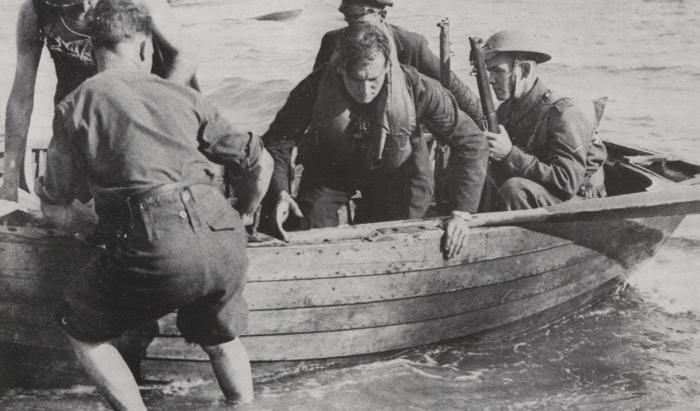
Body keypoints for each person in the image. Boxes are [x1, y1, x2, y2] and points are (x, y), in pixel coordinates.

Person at [35, 0, 272, 408]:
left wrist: (91, 229)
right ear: (145, 50)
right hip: (222, 232)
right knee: (221, 336)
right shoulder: (180, 94)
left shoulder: (75, 105)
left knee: (81, 328)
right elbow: (260, 161)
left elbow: (56, 204)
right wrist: (246, 213)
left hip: (157, 240)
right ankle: (244, 405)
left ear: (93, 51)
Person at [264, 22, 488, 258]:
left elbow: (471, 142)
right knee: (307, 226)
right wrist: (280, 192)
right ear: (340, 69)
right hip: (333, 165)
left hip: (400, 167)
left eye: (373, 80)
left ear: (387, 67)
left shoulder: (418, 88)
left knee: (403, 238)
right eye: (356, 80)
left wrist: (462, 213)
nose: (365, 90)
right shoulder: (314, 87)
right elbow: (279, 140)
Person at [1, 0, 197, 201]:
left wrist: (155, 107)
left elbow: (186, 55)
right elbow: (21, 97)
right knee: (59, 207)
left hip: (135, 114)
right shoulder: (34, 11)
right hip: (78, 120)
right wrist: (9, 182)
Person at [481, 30, 607, 210]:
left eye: (498, 71)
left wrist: (510, 154)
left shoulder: (562, 112)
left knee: (515, 189)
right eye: (489, 72)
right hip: (544, 193)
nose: (491, 80)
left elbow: (567, 182)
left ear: (524, 69)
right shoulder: (507, 109)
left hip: (579, 203)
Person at [313, 0, 482, 123]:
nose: (354, 28)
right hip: (350, 127)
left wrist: (484, 122)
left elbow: (454, 88)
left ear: (381, 15)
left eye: (359, 19)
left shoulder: (411, 44)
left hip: (402, 126)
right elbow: (312, 92)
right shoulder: (333, 42)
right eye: (349, 20)